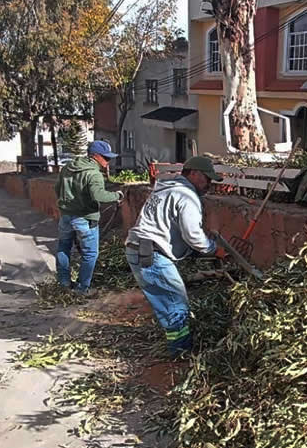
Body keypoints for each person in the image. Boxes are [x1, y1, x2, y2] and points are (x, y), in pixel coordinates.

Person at [125, 156, 227, 358]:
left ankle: (178, 345)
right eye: (207, 179)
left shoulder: (166, 188)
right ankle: (180, 353)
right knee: (176, 304)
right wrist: (214, 250)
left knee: (169, 301)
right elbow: (193, 236)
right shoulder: (186, 195)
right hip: (151, 254)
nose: (209, 184)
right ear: (194, 174)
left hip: (141, 248)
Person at [54, 140, 124, 296]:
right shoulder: (94, 174)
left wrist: (66, 204)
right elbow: (99, 195)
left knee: (64, 247)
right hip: (85, 218)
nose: (108, 162)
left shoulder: (67, 168)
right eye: (106, 158)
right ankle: (82, 288)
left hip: (66, 215)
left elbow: (57, 188)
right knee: (90, 254)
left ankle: (64, 283)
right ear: (95, 156)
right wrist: (116, 196)